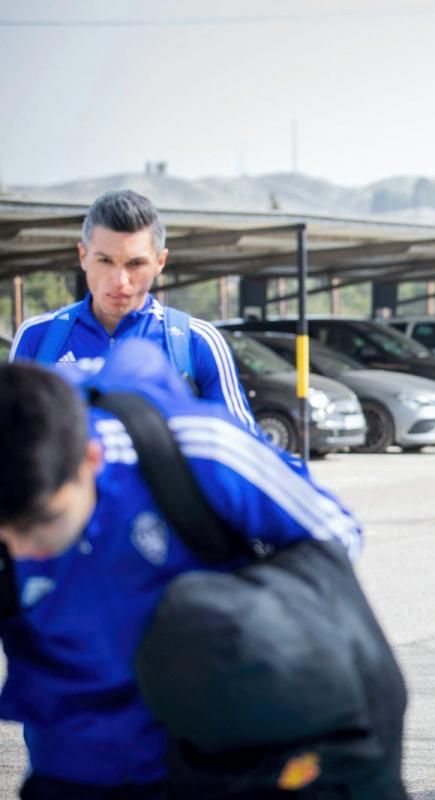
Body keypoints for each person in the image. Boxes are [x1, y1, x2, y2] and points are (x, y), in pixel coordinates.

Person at [0, 341, 363, 799]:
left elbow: (335, 536)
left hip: (203, 756)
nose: (23, 551)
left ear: (90, 461)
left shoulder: (198, 448)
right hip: (70, 764)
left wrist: (250, 622)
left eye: (41, 523)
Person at [9, 189, 256, 432]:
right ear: (83, 256)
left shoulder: (197, 341)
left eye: (135, 263)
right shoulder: (38, 336)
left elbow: (246, 448)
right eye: (105, 261)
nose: (120, 280)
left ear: (160, 262)